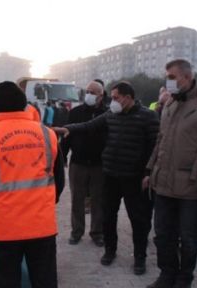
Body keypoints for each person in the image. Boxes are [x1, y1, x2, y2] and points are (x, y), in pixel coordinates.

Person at [0, 81, 65, 288]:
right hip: (41, 225)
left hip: (4, 227)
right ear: (24, 104)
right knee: (44, 280)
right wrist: (46, 204)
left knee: (6, 281)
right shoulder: (48, 135)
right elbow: (59, 179)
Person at [55, 81, 159, 275]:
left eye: (116, 97)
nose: (113, 101)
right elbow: (88, 125)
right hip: (110, 175)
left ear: (128, 98)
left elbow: (156, 147)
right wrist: (66, 129)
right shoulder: (112, 115)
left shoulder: (148, 117)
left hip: (134, 178)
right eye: (111, 97)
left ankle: (139, 258)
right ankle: (110, 251)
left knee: (139, 220)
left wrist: (148, 173)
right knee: (108, 216)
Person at [143, 59, 197, 288]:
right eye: (166, 77)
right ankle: (167, 274)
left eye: (172, 77)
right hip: (163, 183)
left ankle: (183, 279)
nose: (167, 81)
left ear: (187, 78)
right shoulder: (169, 104)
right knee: (162, 235)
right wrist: (150, 170)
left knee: (188, 238)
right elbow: (161, 141)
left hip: (190, 185)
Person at [61, 81, 107, 247]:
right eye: (87, 91)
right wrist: (63, 156)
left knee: (98, 200)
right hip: (78, 163)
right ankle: (76, 232)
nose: (89, 94)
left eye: (93, 92)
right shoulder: (75, 112)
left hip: (99, 165)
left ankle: (97, 232)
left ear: (101, 95)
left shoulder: (107, 113)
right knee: (77, 200)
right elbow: (67, 135)